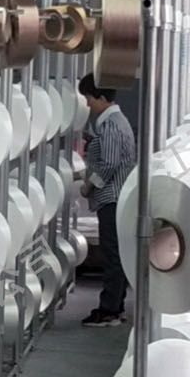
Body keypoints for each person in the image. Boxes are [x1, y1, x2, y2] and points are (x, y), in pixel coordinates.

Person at [79, 73, 135, 327]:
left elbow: (109, 163)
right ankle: (115, 306)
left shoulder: (111, 125)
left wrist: (88, 186)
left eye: (89, 98)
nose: (87, 104)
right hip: (118, 197)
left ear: (101, 97)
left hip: (112, 198)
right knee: (116, 254)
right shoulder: (116, 122)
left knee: (112, 254)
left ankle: (109, 309)